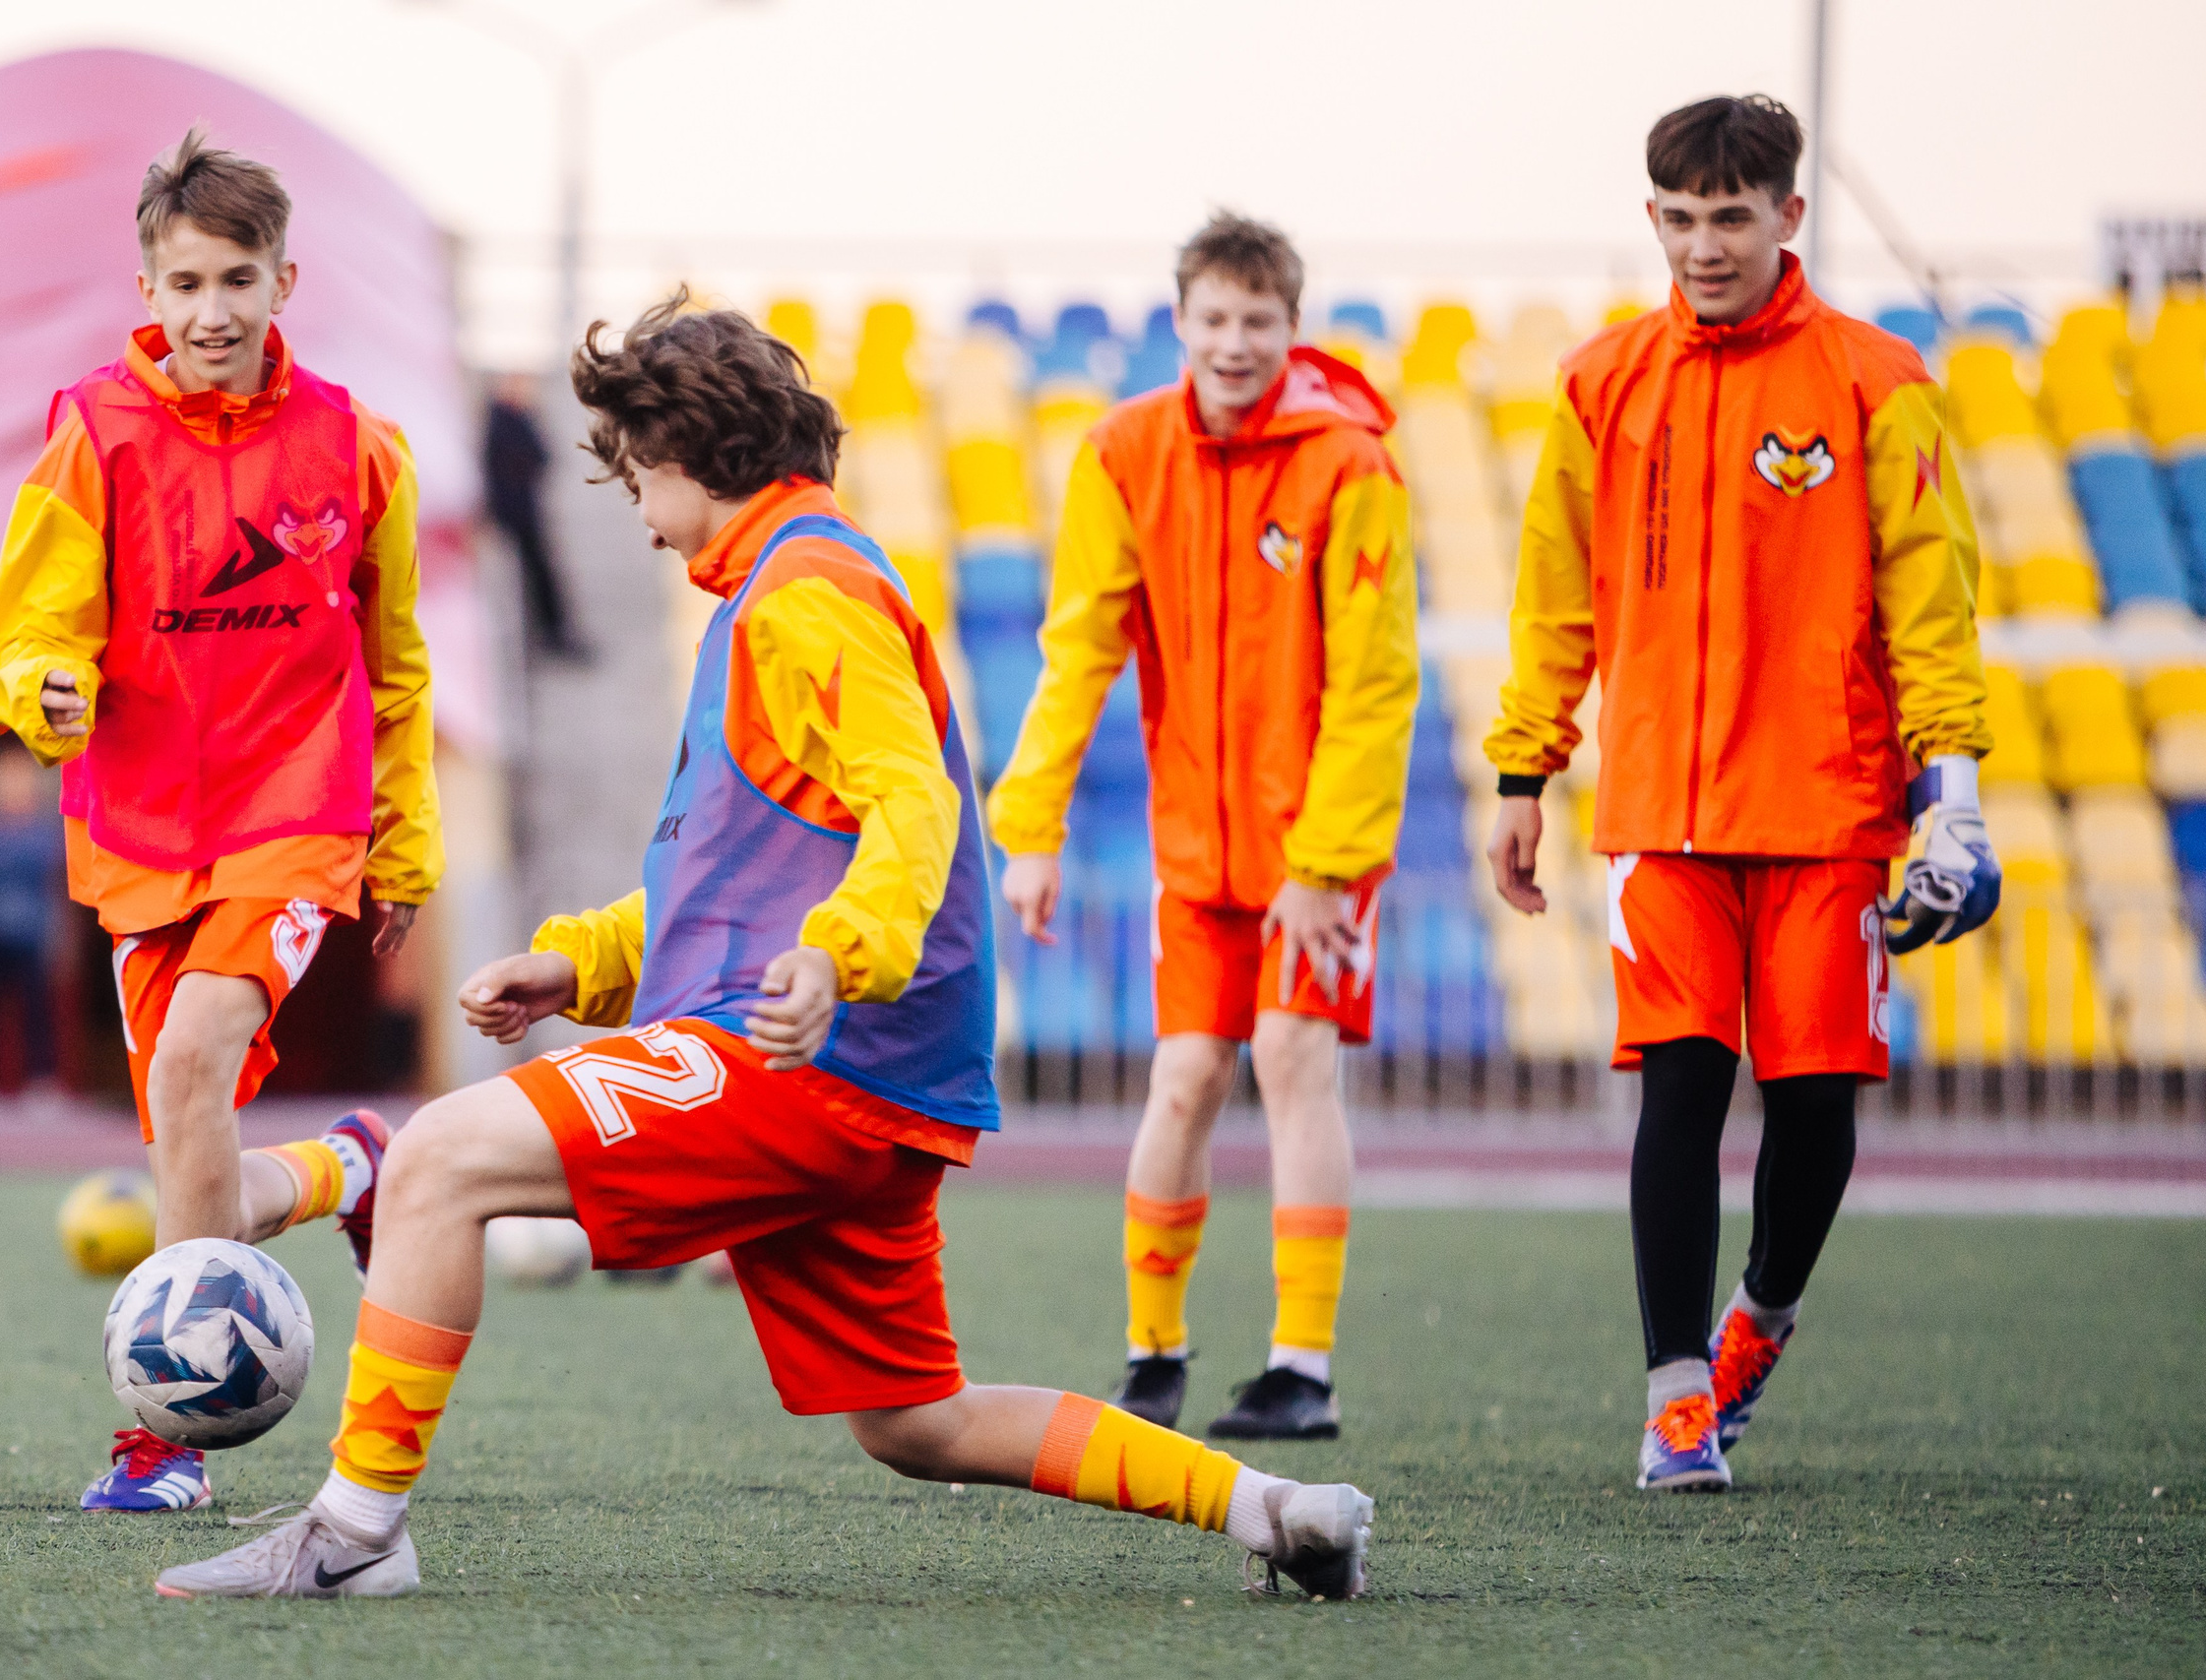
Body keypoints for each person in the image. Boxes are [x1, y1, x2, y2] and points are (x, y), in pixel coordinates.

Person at [153, 291, 1373, 1602]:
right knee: (921, 1421)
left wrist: (838, 955)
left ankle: (350, 1536)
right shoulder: (779, 583)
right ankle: (1279, 1505)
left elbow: (912, 801)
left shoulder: (805, 591)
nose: (626, 490)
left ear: (694, 450)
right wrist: (584, 963)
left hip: (809, 1052)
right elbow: (737, 876)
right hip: (855, 1070)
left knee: (442, 1157)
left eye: (633, 459)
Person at [1481, 94, 1997, 1493]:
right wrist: (1528, 764)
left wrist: (1952, 789)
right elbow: (1554, 597)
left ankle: (1757, 1320)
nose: (1705, 244)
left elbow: (1930, 604)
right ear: (1654, 219)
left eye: (1732, 215)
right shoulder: (1600, 383)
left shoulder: (1878, 382)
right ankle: (1674, 1400)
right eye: (1681, 217)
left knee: (1817, 1105)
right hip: (1661, 813)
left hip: (1833, 810)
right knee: (1681, 1092)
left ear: (1788, 216)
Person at [0, 128, 445, 1513]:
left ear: (286, 277)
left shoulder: (361, 449)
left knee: (189, 1072)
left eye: (238, 276)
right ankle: (349, 1163)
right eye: (185, 281)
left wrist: (403, 845)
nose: (213, 310)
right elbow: (30, 628)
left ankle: (160, 1439)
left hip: (295, 813)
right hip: (134, 834)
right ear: (148, 282)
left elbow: (400, 662)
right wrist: (38, 693)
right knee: (191, 1162)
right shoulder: (93, 431)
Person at [987, 214, 1419, 1440]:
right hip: (1197, 849)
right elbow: (1078, 648)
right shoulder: (1124, 451)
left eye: (1259, 322)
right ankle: (1153, 1351)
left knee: (1290, 1060)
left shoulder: (1352, 467)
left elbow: (1378, 683)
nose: (1234, 344)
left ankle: (1302, 1367)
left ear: (1292, 329)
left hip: (1314, 853)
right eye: (1213, 320)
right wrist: (1033, 830)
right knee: (1181, 1078)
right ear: (1179, 325)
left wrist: (1328, 866)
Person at [0, 750, 64, 1092]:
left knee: (37, 1013)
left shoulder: (41, 828)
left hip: (30, 933)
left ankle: (42, 1079)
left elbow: (43, 864)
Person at [484, 373, 592, 661]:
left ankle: (549, 632)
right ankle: (548, 634)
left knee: (538, 573)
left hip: (520, 510)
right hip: (516, 511)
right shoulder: (504, 419)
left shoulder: (507, 417)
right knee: (534, 574)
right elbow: (534, 456)